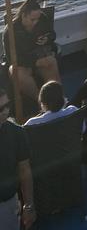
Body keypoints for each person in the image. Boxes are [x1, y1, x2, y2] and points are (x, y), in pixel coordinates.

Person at [2, 0, 60, 107]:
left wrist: (47, 39)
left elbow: (52, 34)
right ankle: (42, 103)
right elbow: (12, 59)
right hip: (22, 62)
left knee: (51, 62)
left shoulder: (42, 18)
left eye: (37, 19)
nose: (36, 22)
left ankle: (58, 99)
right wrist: (35, 62)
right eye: (32, 20)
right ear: (23, 15)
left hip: (39, 54)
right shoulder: (10, 31)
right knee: (16, 72)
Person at [0, 87, 35, 230]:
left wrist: (29, 206)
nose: (6, 111)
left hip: (6, 205)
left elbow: (24, 170)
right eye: (1, 108)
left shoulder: (16, 132)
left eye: (7, 105)